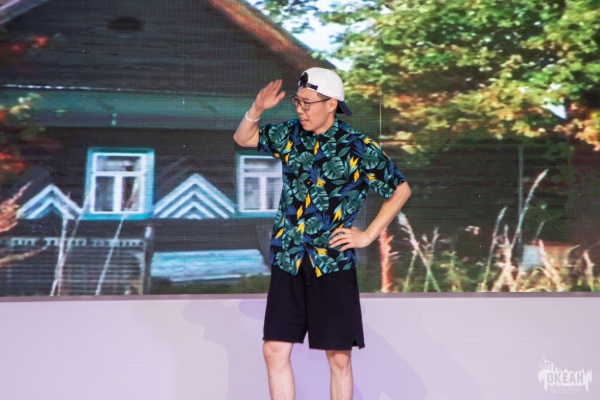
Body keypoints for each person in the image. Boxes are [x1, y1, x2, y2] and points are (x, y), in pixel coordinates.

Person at [233, 67, 411, 400]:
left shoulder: (357, 146)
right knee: (274, 350)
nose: (300, 110)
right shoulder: (290, 134)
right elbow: (244, 138)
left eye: (308, 103)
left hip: (331, 262)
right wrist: (256, 109)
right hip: (288, 258)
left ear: (331, 104)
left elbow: (400, 189)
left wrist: (367, 235)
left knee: (339, 358)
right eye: (297, 102)